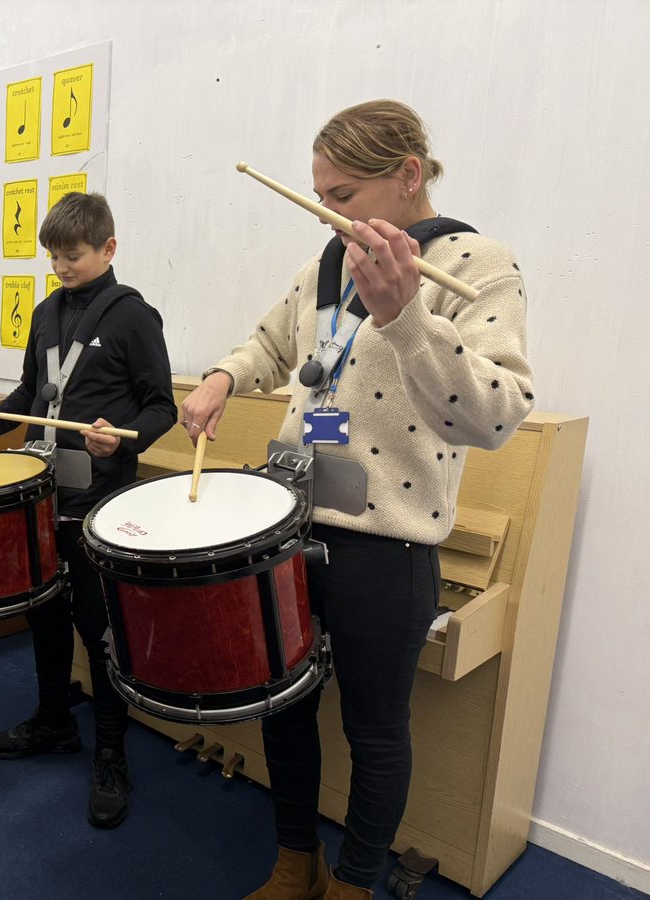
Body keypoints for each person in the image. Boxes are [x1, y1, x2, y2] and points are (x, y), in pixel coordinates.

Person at [181, 100, 534, 899]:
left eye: (342, 195)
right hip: (290, 523)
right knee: (285, 708)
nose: (327, 212)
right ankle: (293, 862)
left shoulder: (480, 267)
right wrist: (224, 376)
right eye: (319, 195)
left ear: (408, 176)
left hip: (388, 543)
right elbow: (273, 341)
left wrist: (406, 316)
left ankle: (355, 882)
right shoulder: (328, 263)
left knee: (375, 732)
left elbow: (497, 412)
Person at [0, 192, 176, 828]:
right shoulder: (45, 313)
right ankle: (52, 721)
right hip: (41, 494)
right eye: (53, 256)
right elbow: (29, 393)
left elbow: (162, 406)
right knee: (42, 614)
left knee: (99, 628)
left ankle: (110, 751)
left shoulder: (134, 317)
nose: (61, 266)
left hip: (98, 500)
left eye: (72, 255)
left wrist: (121, 433)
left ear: (108, 248)